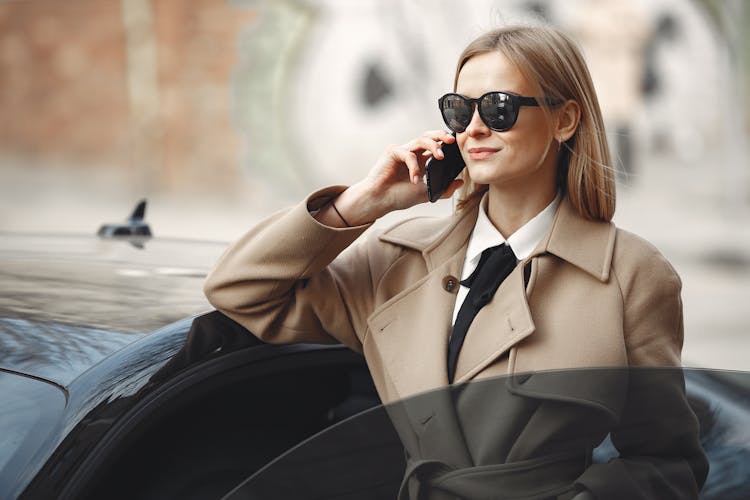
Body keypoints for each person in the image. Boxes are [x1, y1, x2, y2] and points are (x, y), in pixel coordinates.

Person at [204, 25, 708, 500]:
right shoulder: (396, 258)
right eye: (459, 109)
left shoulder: (630, 275)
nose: (474, 128)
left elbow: (667, 461)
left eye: (500, 107)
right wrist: (361, 204)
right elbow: (238, 289)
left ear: (565, 120)